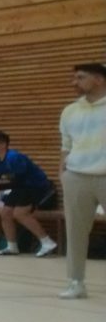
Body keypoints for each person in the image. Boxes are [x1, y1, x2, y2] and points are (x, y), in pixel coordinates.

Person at [59, 62, 106, 299]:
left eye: (80, 77)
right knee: (75, 232)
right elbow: (66, 146)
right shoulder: (70, 111)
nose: (74, 82)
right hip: (76, 177)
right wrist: (63, 174)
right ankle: (76, 282)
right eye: (74, 77)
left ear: (99, 79)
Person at [0, 130, 57, 258]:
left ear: (3, 144)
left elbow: (20, 180)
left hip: (36, 186)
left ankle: (47, 242)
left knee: (20, 214)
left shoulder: (14, 157)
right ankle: (12, 246)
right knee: (5, 213)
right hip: (20, 187)